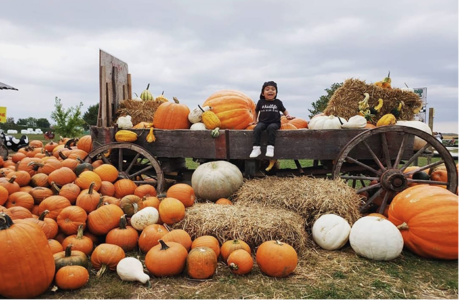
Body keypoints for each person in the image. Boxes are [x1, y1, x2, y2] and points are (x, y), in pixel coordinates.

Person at [249, 81, 294, 158]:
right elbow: (256, 111)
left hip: (275, 122)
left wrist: (288, 116)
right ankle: (256, 148)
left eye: (273, 89)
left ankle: (270, 147)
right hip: (263, 122)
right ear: (263, 93)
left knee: (271, 128)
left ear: (276, 93)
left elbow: (284, 110)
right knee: (257, 128)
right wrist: (254, 120)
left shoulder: (278, 102)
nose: (270, 91)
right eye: (267, 89)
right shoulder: (261, 102)